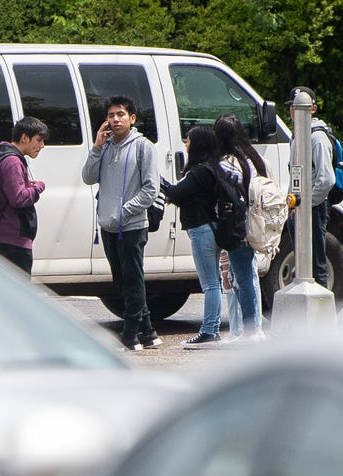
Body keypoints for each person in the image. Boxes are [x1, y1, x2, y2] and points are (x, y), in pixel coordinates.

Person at [81, 95, 162, 351]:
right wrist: (96, 146)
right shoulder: (104, 147)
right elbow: (88, 177)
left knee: (133, 279)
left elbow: (151, 189)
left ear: (132, 118)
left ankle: (130, 334)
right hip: (107, 226)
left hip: (132, 226)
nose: (115, 119)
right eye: (111, 115)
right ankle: (148, 332)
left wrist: (124, 211)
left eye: (120, 114)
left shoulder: (143, 147)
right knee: (121, 279)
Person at [160, 125, 224, 348]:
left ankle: (209, 330)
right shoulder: (211, 168)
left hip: (202, 230)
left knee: (210, 284)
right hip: (210, 229)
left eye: (188, 140)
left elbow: (175, 194)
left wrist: (156, 179)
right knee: (213, 282)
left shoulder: (200, 172)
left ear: (198, 144)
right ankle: (212, 328)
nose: (185, 144)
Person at [213, 113, 267, 341]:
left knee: (242, 279)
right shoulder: (253, 159)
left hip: (236, 227)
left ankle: (250, 329)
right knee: (247, 276)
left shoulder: (227, 163)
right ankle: (252, 328)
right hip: (254, 224)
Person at [0, 117, 48, 275]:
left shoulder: (5, 157)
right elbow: (18, 198)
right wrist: (39, 187)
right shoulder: (13, 161)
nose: (42, 146)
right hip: (12, 238)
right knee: (19, 291)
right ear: (24, 137)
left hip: (3, 237)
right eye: (39, 140)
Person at [286, 87, 334, 287]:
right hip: (298, 207)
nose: (295, 112)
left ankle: (321, 312)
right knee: (303, 261)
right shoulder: (298, 134)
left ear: (313, 109)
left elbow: (326, 179)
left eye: (302, 107)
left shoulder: (318, 138)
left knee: (316, 263)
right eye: (293, 107)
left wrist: (306, 206)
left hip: (313, 208)